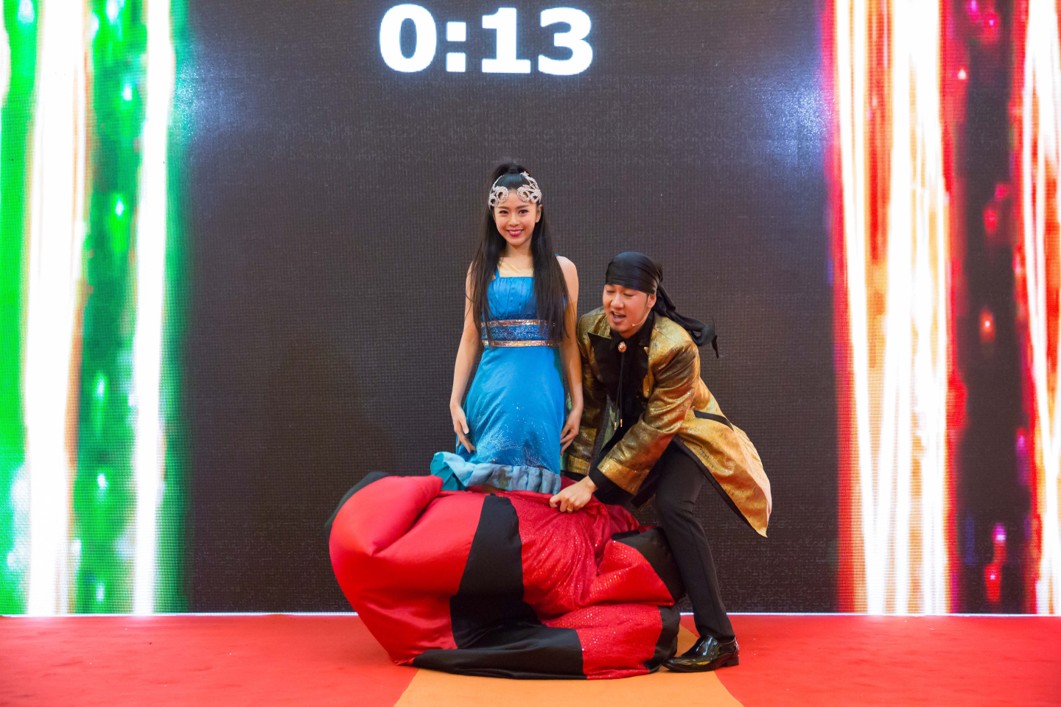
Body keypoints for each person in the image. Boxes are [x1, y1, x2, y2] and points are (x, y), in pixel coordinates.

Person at [550, 251, 772, 672]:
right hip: (637, 435)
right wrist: (573, 477)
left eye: (628, 294)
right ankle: (612, 623)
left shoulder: (677, 346)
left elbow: (657, 430)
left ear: (651, 300)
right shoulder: (591, 328)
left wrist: (591, 483)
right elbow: (591, 411)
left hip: (687, 435)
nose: (616, 303)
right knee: (601, 510)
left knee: (674, 506)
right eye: (610, 291)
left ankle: (720, 638)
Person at [431, 163, 582, 494]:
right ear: (493, 215)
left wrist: (578, 403)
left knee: (537, 495)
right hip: (490, 395)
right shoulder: (480, 270)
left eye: (522, 211)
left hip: (543, 395)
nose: (513, 221)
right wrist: (455, 400)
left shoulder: (563, 270)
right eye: (504, 212)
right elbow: (469, 337)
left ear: (538, 213)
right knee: (486, 490)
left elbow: (569, 342)